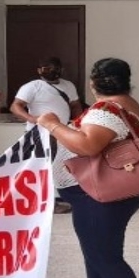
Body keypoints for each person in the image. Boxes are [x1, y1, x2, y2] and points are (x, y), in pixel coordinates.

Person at [36, 58, 139, 278]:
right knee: (98, 251)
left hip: (99, 194)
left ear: (92, 82)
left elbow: (87, 146)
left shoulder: (105, 109)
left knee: (105, 256)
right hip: (114, 191)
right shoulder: (130, 104)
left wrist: (52, 124)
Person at [10, 56, 83, 214]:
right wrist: (33, 119)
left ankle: (58, 197)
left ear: (61, 69)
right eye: (46, 68)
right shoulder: (32, 86)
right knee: (42, 167)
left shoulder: (68, 85)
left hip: (63, 132)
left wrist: (77, 123)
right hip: (41, 133)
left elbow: (75, 105)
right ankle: (45, 203)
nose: (52, 71)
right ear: (39, 70)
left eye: (55, 67)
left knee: (61, 166)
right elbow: (16, 106)